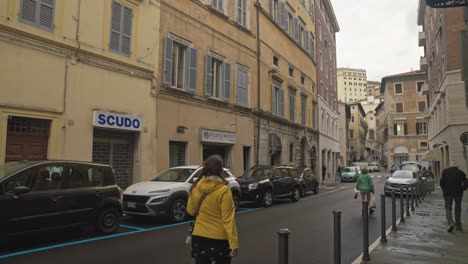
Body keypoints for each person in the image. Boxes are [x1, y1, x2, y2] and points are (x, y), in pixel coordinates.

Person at [187, 155, 238, 264]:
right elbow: (228, 220)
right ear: (220, 170)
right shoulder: (224, 191)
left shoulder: (195, 187)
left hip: (199, 236)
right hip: (219, 239)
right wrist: (234, 244)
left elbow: (190, 211)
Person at [440, 161, 468, 232]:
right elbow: (466, 183)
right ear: (457, 167)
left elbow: (442, 182)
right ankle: (458, 226)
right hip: (458, 192)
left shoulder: (445, 171)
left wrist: (445, 189)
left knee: (448, 208)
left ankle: (451, 223)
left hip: (448, 192)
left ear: (450, 166)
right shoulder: (461, 172)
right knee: (458, 208)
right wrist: (463, 188)